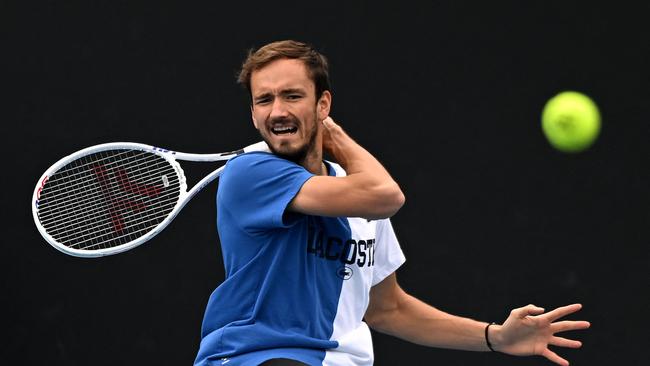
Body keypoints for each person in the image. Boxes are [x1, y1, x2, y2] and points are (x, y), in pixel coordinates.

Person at [194, 40, 590, 366]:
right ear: (253, 114)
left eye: (292, 96)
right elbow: (386, 196)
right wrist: (336, 136)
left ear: (323, 104)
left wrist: (494, 337)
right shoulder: (250, 174)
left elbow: (389, 309)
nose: (277, 111)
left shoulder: (356, 196)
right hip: (253, 357)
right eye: (264, 100)